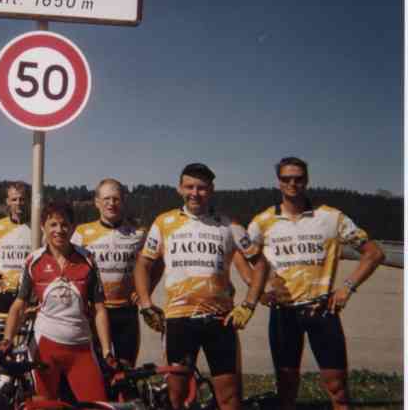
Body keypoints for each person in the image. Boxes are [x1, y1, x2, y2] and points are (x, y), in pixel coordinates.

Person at [247, 157, 384, 410]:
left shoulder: (331, 217)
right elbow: (240, 254)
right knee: (286, 390)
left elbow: (374, 253)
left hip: (322, 310)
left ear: (306, 180)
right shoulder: (262, 221)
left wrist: (347, 287)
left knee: (338, 390)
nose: (293, 183)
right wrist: (258, 292)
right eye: (287, 179)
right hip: (283, 313)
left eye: (298, 178)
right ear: (278, 182)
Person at [135, 163, 268, 410]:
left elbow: (260, 264)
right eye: (189, 186)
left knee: (229, 398)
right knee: (176, 396)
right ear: (179, 188)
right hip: (178, 320)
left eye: (202, 188)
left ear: (211, 190)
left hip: (220, 320)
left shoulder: (228, 224)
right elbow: (143, 263)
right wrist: (145, 304)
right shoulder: (164, 222)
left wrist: (249, 305)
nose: (195, 193)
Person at [1, 200, 115, 402]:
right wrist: (7, 340)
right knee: (44, 405)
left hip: (81, 348)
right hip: (45, 348)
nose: (59, 230)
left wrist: (107, 351)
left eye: (65, 225)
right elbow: (19, 305)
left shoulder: (87, 259)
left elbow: (99, 309)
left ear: (73, 228)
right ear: (43, 227)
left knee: (97, 404)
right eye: (53, 225)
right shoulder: (33, 261)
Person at [71, 178, 152, 366]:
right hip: (95, 312)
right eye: (106, 199)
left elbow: (152, 266)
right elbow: (71, 267)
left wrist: (143, 293)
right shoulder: (82, 233)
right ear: (97, 202)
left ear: (123, 201)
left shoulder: (138, 234)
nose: (111, 204)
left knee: (126, 368)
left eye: (116, 199)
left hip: (126, 311)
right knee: (97, 367)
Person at [0, 182, 33, 313]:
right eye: (14, 199)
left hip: (28, 294)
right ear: (8, 201)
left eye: (22, 199)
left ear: (28, 201)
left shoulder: (38, 227)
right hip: (4, 292)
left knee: (26, 333)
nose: (18, 202)